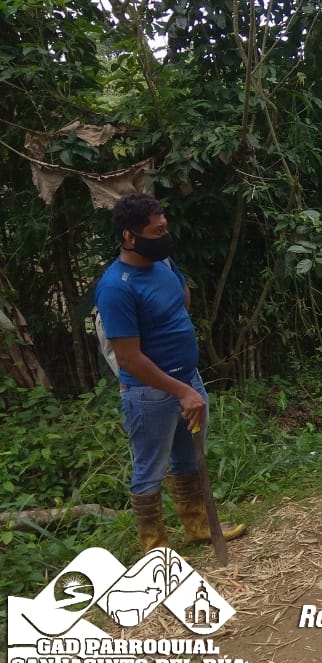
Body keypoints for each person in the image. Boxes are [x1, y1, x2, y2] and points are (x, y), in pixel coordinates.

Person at [95, 193, 246, 551]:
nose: (165, 235)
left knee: (188, 458)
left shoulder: (164, 263)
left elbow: (182, 297)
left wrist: (185, 379)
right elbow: (129, 358)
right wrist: (180, 391)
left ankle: (198, 526)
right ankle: (156, 549)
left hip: (188, 379)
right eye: (157, 231)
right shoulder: (116, 287)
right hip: (149, 394)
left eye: (165, 227)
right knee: (149, 470)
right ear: (130, 236)